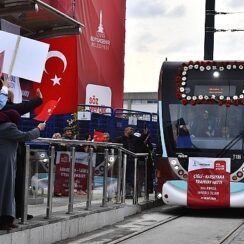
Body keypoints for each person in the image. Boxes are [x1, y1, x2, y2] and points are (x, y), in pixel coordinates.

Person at [0, 110, 45, 230]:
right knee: (6, 191)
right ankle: (4, 219)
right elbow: (25, 136)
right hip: (5, 165)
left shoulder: (4, 126)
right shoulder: (8, 127)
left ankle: (7, 219)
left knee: (8, 191)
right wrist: (38, 129)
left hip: (7, 164)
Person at [114, 127, 147, 198]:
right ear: (125, 130)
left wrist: (144, 134)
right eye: (130, 129)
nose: (132, 130)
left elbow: (141, 140)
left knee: (131, 178)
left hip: (132, 162)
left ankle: (129, 193)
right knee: (123, 178)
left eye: (132, 129)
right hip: (123, 161)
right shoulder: (120, 139)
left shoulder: (134, 138)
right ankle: (119, 193)